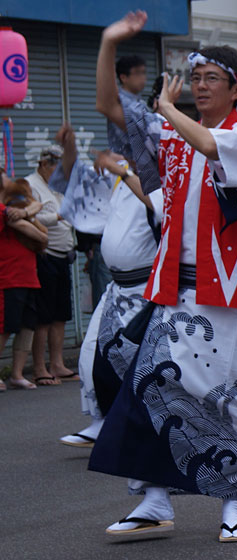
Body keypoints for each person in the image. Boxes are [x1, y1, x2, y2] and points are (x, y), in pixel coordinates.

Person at [89, 11, 237, 544]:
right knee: (145, 386)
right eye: (193, 78)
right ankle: (153, 501)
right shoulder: (171, 135)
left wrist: (169, 109)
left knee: (226, 397)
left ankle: (231, 504)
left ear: (235, 87)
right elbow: (110, 105)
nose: (198, 86)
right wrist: (107, 42)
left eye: (209, 79)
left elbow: (213, 148)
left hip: (225, 295)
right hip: (173, 290)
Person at [48, 123, 162, 446]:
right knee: (89, 354)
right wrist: (69, 148)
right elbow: (75, 182)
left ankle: (143, 425)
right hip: (117, 288)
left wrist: (122, 171)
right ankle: (101, 420)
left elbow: (159, 204)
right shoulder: (119, 175)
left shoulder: (162, 174)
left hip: (146, 289)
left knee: (136, 360)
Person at [25, 147, 77, 386]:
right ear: (44, 164)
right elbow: (29, 218)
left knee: (60, 314)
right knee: (43, 316)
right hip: (45, 255)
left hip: (64, 254)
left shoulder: (58, 184)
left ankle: (57, 363)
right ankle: (39, 367)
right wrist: (59, 216)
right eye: (56, 166)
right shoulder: (30, 185)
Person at [0, 169, 48, 391]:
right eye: (4, 176)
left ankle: (17, 374)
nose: (8, 178)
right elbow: (40, 235)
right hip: (9, 276)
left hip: (29, 274)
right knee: (5, 327)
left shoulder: (16, 206)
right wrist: (31, 221)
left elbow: (37, 207)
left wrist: (27, 211)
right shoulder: (4, 211)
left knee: (27, 326)